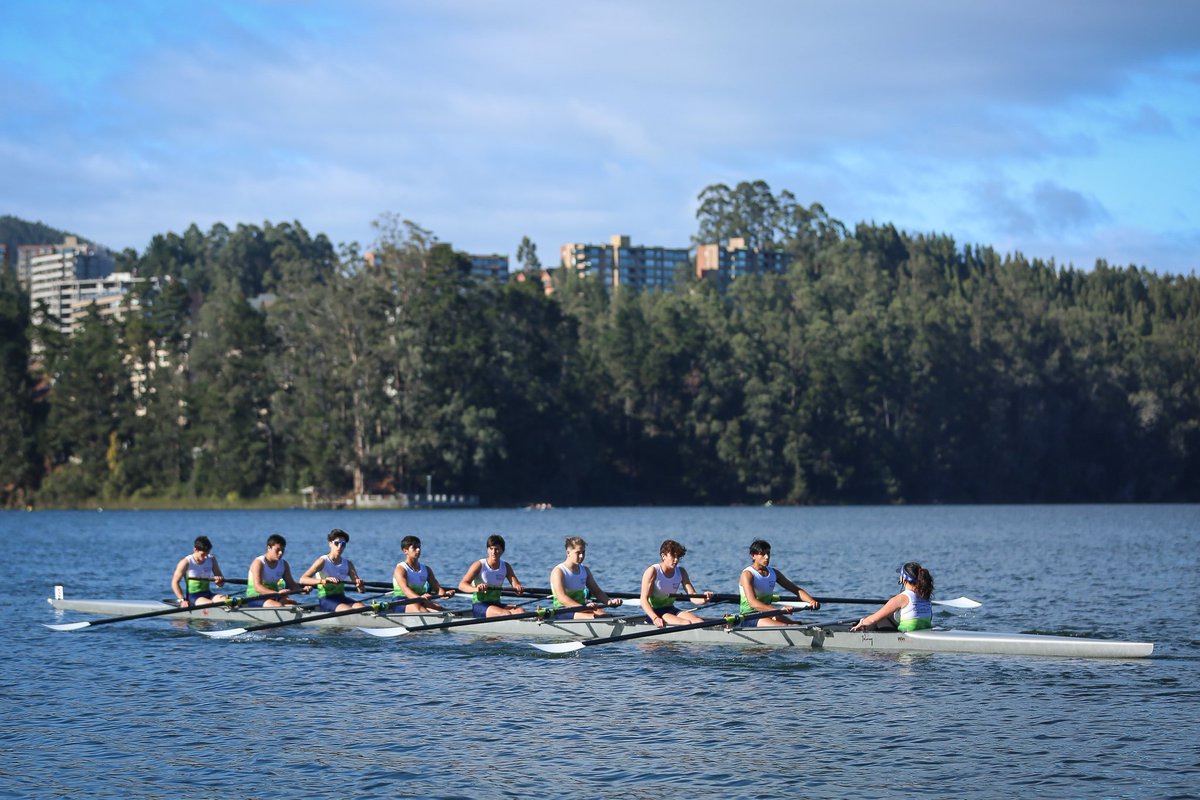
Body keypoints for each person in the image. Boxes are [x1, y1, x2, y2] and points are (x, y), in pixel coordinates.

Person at [737, 539, 821, 626]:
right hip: (749, 616)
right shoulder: (747, 574)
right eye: (762, 554)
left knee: (796, 624)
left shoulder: (774, 573)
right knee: (786, 627)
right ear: (753, 556)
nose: (767, 557)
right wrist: (778, 611)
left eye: (768, 553)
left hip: (768, 613)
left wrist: (811, 601)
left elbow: (796, 590)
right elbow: (753, 602)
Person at [639, 539, 713, 627]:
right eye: (673, 556)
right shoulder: (653, 571)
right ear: (663, 556)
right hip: (655, 612)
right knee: (686, 623)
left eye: (678, 557)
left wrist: (705, 599)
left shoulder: (681, 572)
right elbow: (643, 600)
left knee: (699, 622)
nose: (676, 560)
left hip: (671, 609)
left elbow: (693, 596)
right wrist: (655, 618)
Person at [549, 536, 622, 619]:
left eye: (583, 552)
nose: (581, 556)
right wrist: (584, 608)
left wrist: (609, 602)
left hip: (582, 607)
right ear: (568, 553)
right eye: (578, 553)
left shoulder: (585, 570)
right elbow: (562, 598)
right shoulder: (559, 571)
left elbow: (596, 592)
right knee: (595, 618)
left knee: (605, 616)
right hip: (562, 610)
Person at [457, 534, 527, 618]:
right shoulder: (479, 565)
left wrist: (519, 589)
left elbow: (517, 588)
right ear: (487, 550)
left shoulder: (506, 567)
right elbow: (461, 585)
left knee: (521, 611)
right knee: (506, 614)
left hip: (496, 604)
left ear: (502, 550)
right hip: (480, 605)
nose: (493, 552)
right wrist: (476, 589)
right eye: (491, 549)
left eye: (496, 549)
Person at [851, 562, 934, 632]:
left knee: (880, 619)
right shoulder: (925, 597)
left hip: (907, 635)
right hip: (923, 631)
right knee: (890, 617)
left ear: (904, 578)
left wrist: (862, 622)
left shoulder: (901, 598)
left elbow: (873, 619)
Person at [300, 529, 367, 612]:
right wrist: (323, 580)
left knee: (364, 609)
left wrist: (360, 586)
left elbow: (361, 591)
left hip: (341, 598)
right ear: (330, 543)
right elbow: (303, 579)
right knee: (349, 611)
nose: (339, 547)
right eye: (336, 543)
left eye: (343, 544)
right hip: (326, 600)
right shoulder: (322, 561)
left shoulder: (348, 564)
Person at [393, 535, 455, 612]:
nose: (418, 550)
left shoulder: (426, 569)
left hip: (420, 600)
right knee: (421, 610)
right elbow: (406, 590)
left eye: (419, 547)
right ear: (405, 551)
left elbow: (437, 589)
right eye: (414, 548)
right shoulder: (401, 569)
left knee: (439, 608)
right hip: (401, 602)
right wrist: (420, 598)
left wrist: (445, 594)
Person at [244, 533, 309, 607]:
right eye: (277, 550)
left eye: (282, 550)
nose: (280, 553)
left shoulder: (284, 564)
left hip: (274, 596)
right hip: (256, 597)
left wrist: (302, 590)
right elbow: (258, 587)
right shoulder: (259, 563)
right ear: (269, 548)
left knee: (293, 604)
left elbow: (291, 584)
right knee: (278, 606)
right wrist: (278, 593)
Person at [171, 535, 228, 607]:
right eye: (203, 554)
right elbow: (174, 583)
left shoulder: (212, 559)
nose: (205, 557)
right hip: (193, 597)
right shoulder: (186, 562)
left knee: (227, 600)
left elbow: (220, 584)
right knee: (209, 604)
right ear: (195, 550)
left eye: (207, 553)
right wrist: (182, 600)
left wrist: (219, 582)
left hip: (208, 594)